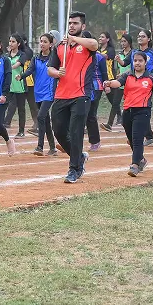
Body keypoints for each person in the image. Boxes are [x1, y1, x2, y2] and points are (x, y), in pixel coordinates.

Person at [47, 12, 105, 183]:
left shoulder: (87, 45)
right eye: (70, 23)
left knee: (76, 131)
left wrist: (74, 39)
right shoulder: (60, 47)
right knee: (58, 130)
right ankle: (79, 156)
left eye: (75, 23)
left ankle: (75, 169)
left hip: (81, 95)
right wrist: (57, 73)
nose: (72, 26)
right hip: (61, 95)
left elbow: (94, 44)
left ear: (83, 26)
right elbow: (50, 68)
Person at [103, 52, 153, 177]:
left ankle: (135, 165)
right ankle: (141, 159)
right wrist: (109, 83)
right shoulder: (128, 75)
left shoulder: (151, 78)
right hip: (128, 111)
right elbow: (118, 83)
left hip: (142, 112)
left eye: (140, 61)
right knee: (131, 140)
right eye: (135, 60)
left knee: (137, 139)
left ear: (145, 62)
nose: (137, 63)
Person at [19, 32, 58, 156]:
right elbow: (30, 70)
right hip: (38, 92)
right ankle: (52, 148)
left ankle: (39, 146)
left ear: (51, 44)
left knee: (40, 117)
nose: (42, 44)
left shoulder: (54, 58)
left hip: (49, 92)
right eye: (41, 41)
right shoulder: (36, 58)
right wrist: (21, 76)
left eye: (45, 42)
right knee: (45, 120)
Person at [4, 33, 35, 136]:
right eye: (10, 41)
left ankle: (21, 131)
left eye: (13, 42)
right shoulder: (6, 56)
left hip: (19, 86)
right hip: (8, 86)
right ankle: (1, 128)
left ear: (18, 44)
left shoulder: (22, 55)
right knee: (3, 107)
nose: (11, 43)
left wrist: (7, 67)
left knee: (21, 110)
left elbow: (16, 65)